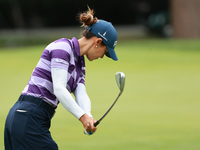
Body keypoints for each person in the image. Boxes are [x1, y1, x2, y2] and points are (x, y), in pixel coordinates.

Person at [4, 6, 118, 150]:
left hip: (33, 118)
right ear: (97, 42)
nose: (102, 56)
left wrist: (88, 117)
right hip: (28, 115)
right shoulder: (63, 48)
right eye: (105, 52)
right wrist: (82, 117)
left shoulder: (79, 63)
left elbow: (81, 92)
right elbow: (59, 88)